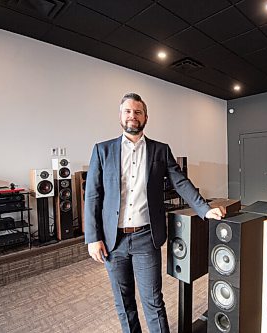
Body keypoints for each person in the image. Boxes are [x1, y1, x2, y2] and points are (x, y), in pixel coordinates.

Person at [84, 92, 225, 333]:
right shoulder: (102, 150)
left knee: (153, 301)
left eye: (138, 112)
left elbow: (180, 182)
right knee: (123, 301)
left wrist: (204, 208)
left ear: (145, 117)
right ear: (120, 116)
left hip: (145, 238)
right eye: (128, 111)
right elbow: (93, 196)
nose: (133, 116)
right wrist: (92, 237)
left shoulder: (160, 150)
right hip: (112, 241)